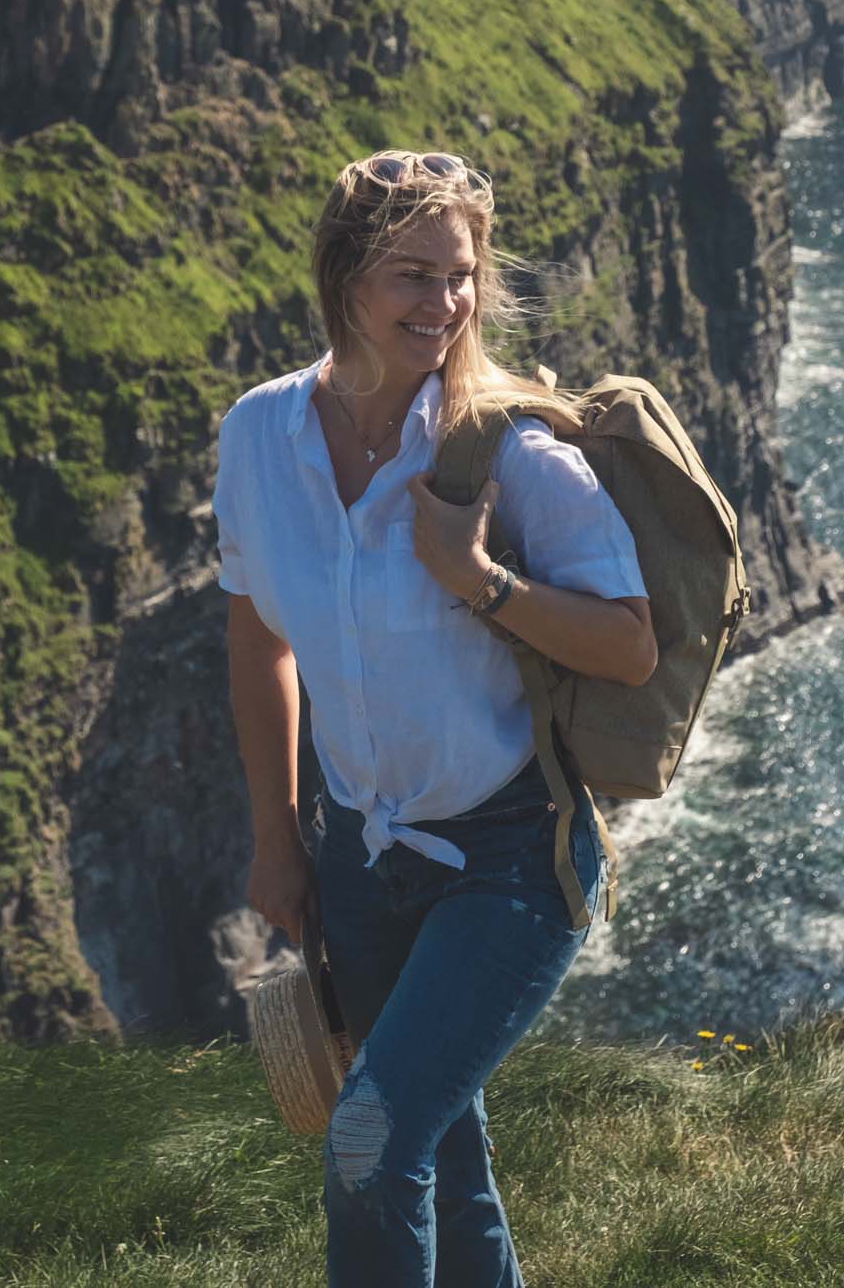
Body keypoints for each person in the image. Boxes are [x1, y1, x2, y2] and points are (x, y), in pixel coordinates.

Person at [212, 148, 655, 1288]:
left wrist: (478, 579)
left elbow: (627, 642)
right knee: (440, 1154)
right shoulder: (260, 438)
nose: (445, 303)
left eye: (460, 276)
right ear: (345, 278)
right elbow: (258, 632)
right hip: (362, 858)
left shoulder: (514, 453)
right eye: (414, 275)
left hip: (512, 858)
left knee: (370, 1138)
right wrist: (279, 834)